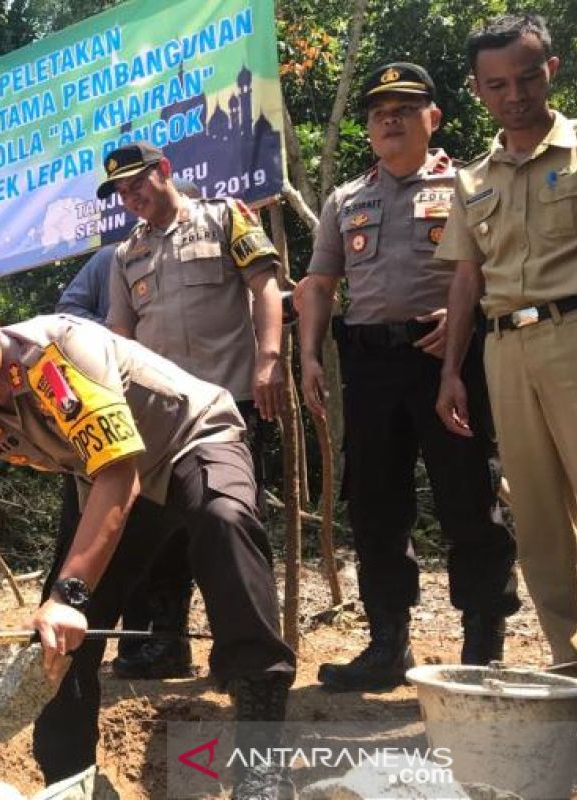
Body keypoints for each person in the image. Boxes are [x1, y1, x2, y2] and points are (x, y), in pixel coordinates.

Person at [0, 279, 296, 799]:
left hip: (191, 441)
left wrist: (68, 594)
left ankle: (261, 766)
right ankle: (69, 779)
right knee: (54, 642)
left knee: (224, 522)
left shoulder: (57, 354)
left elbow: (118, 473)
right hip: (114, 488)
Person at [299, 62, 520, 690]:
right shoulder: (346, 199)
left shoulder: (469, 184)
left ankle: (483, 648)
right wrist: (310, 355)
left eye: (403, 107)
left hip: (446, 362)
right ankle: (387, 645)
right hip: (369, 369)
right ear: (368, 129)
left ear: (433, 118)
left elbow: (501, 269)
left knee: (468, 497)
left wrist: (466, 316)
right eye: (378, 112)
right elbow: (319, 283)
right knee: (374, 507)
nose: (389, 118)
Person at [103, 142, 285, 680]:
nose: (131, 197)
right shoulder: (124, 255)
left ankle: (244, 651)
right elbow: (119, 336)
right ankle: (169, 642)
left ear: (164, 172)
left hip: (228, 402)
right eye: (121, 192)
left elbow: (266, 287)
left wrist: (270, 359)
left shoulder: (225, 218)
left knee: (230, 523)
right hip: (159, 417)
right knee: (164, 536)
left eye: (137, 183)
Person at [435, 13, 577, 665]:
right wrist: (451, 371)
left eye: (525, 78)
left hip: (573, 337)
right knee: (540, 520)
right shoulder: (472, 180)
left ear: (549, 70)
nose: (514, 95)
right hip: (503, 352)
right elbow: (467, 277)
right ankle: (570, 662)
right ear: (478, 90)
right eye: (497, 85)